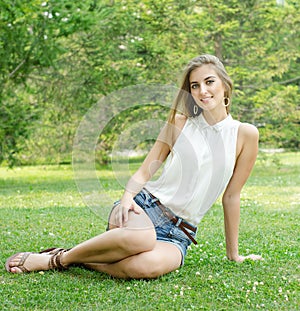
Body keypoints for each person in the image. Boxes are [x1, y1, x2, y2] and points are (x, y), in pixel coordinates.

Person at [5, 54, 263, 278]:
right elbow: (144, 171)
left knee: (144, 267)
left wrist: (234, 255)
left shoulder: (245, 134)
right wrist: (127, 196)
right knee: (142, 237)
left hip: (179, 233)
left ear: (225, 86)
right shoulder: (180, 122)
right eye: (195, 86)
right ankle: (54, 260)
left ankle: (78, 256)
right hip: (144, 208)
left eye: (209, 82)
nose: (202, 91)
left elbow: (231, 196)